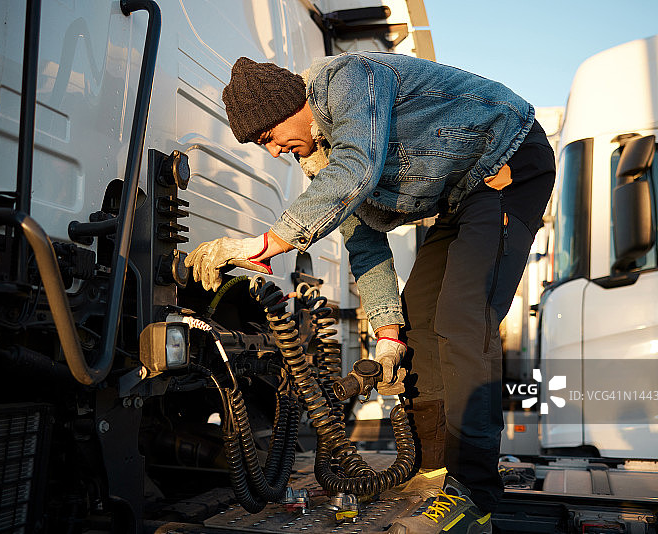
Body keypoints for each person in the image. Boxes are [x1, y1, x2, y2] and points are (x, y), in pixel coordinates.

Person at [185, 52, 555, 534]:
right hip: (464, 194)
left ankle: (475, 495)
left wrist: (269, 241)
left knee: (463, 318)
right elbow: (364, 242)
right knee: (417, 319)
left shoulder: (346, 79)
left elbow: (357, 166)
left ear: (287, 106)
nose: (273, 152)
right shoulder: (320, 159)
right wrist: (387, 333)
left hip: (509, 162)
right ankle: (434, 471)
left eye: (269, 137)